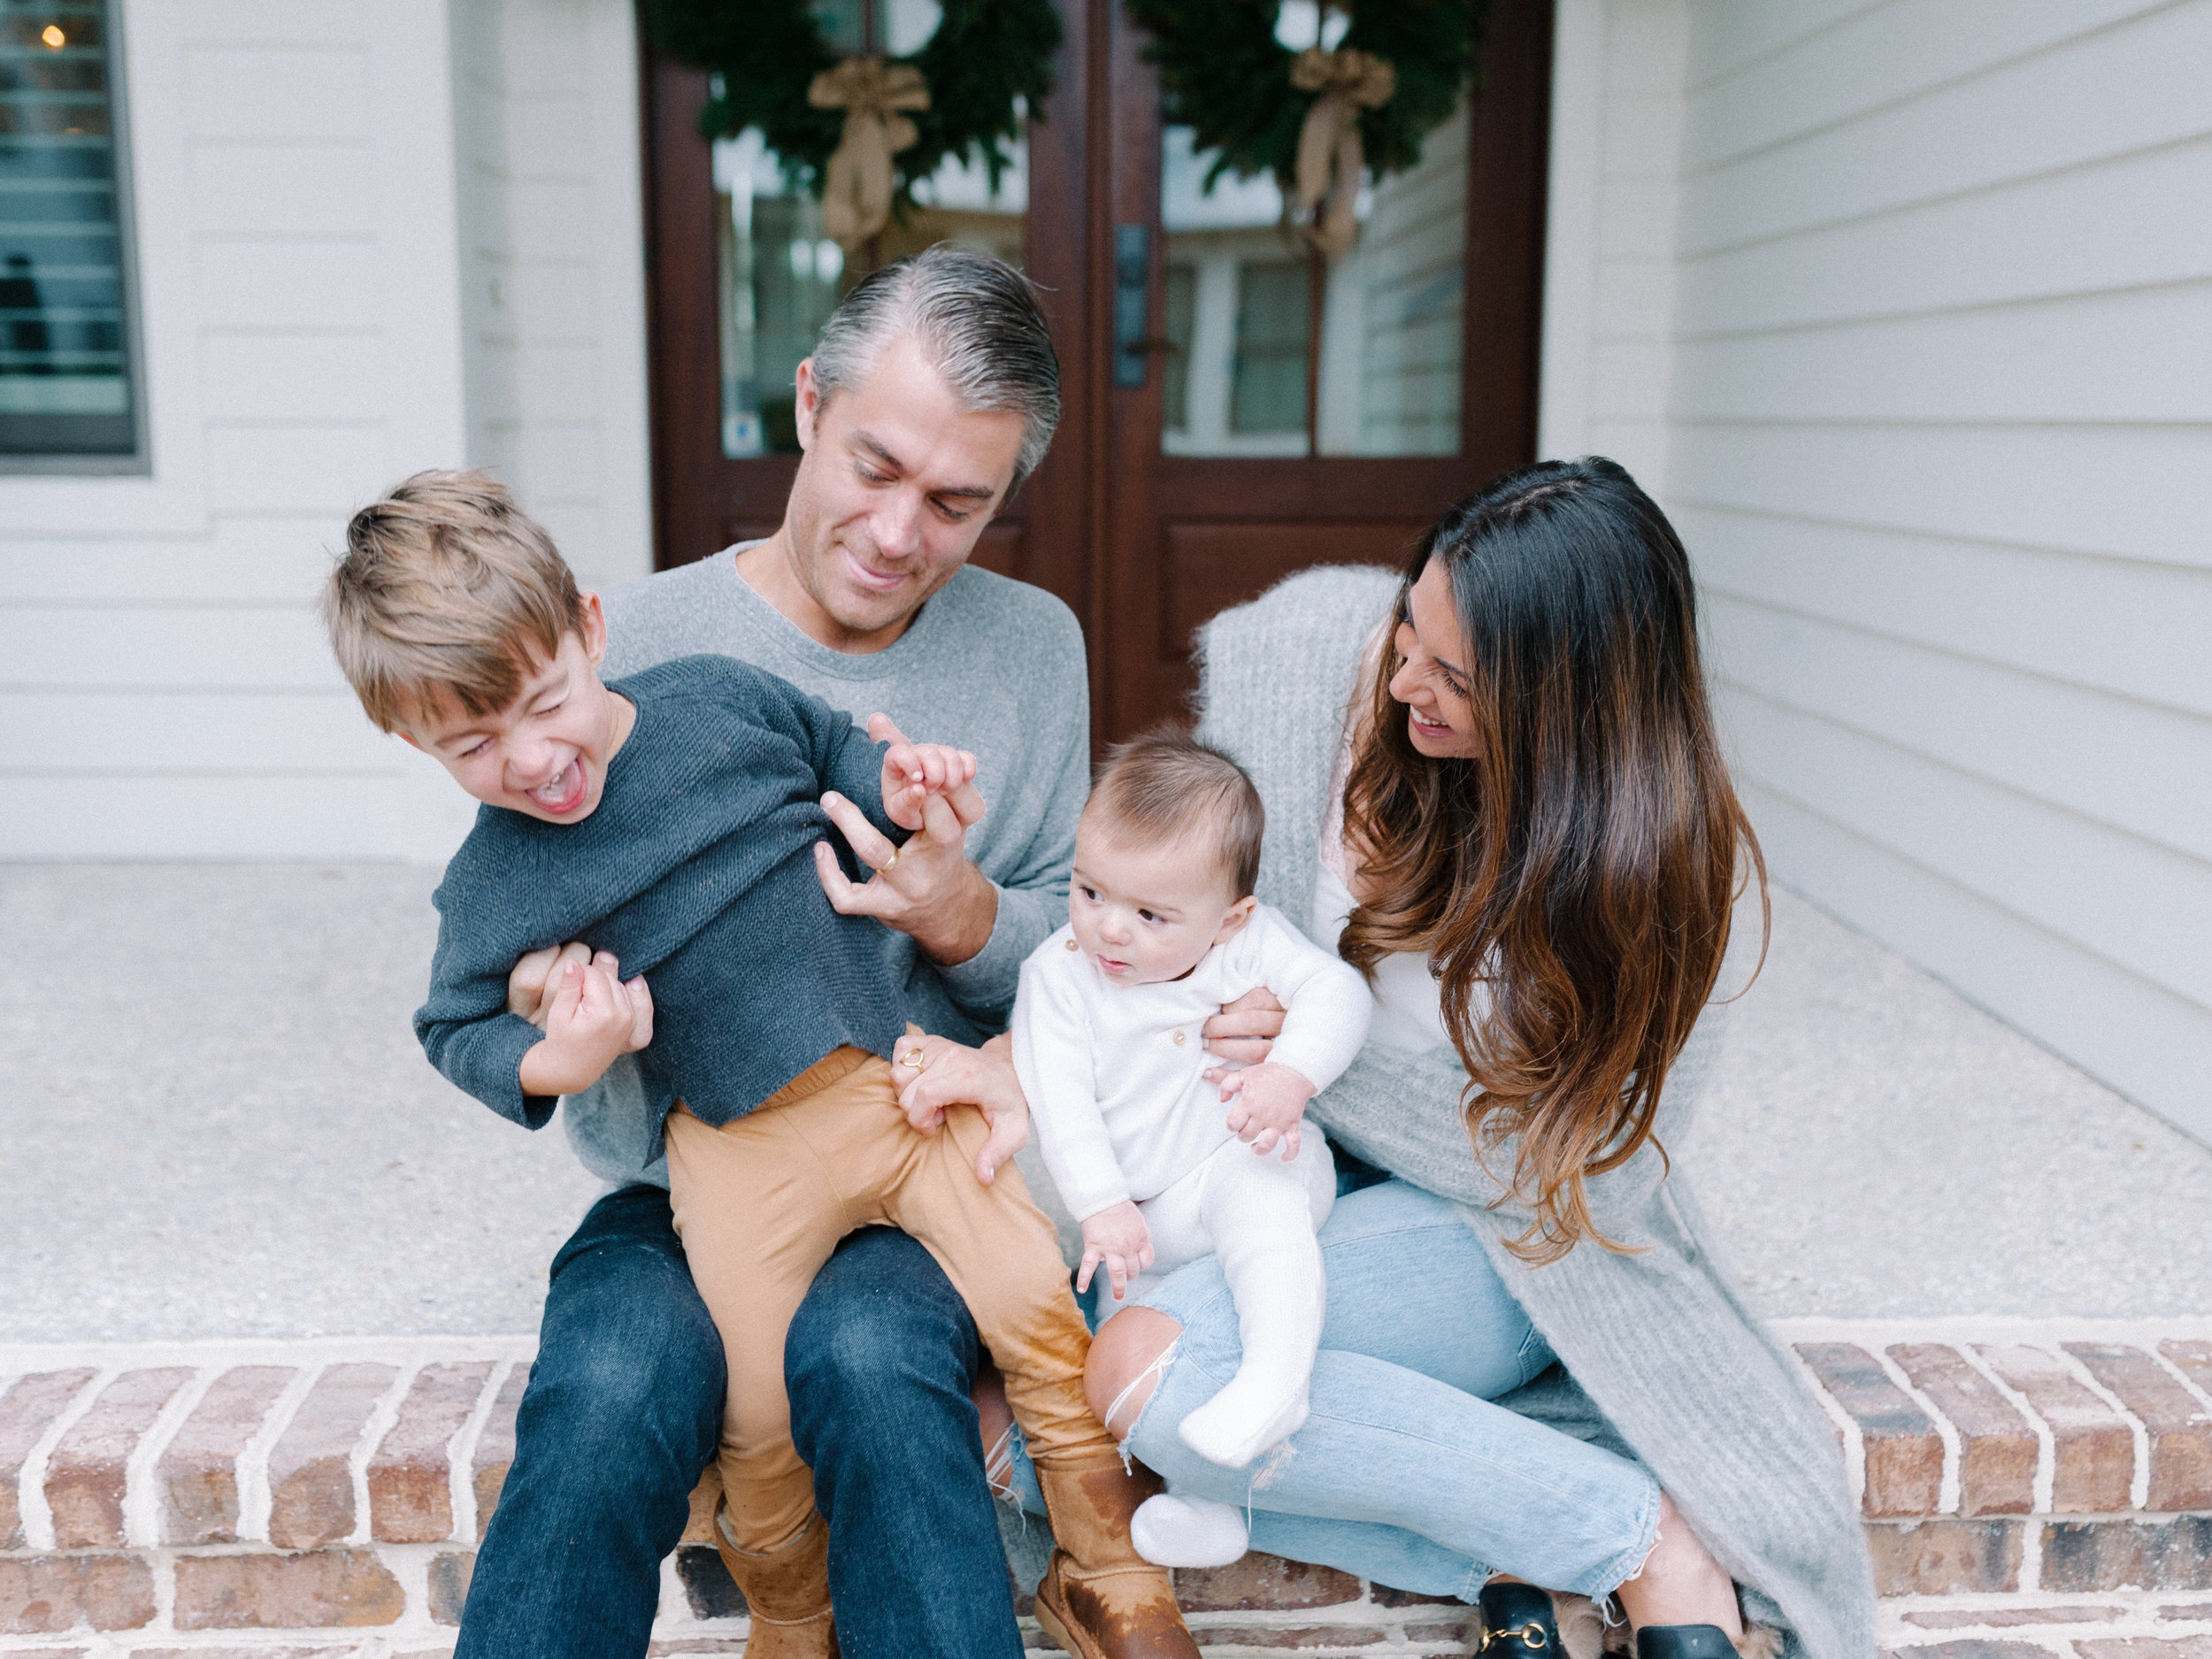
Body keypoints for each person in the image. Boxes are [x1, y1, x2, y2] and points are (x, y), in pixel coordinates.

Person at [903, 459, 1878, 1658]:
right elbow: (1176, 928)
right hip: (1269, 1173)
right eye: (1408, 628)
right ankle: (1566, 1533)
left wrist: (1322, 1065)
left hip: (1509, 1239)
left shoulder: (1670, 869)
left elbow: (1582, 1169)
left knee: (1152, 1366)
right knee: (1092, 1353)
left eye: (1456, 677)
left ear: (1563, 703)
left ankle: (1648, 1542)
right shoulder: (1302, 662)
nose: (1407, 678)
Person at [457, 246, 1206, 1659]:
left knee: (868, 1357)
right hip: (683, 1165)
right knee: (612, 1386)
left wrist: (958, 909)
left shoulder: (1031, 645)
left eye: (956, 501)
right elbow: (509, 913)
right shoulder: (632, 640)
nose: (898, 529)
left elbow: (1092, 948)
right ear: (807, 404)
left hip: (922, 1159)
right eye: (875, 464)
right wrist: (534, 993)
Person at [1010, 731, 1370, 1550]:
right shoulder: (1057, 976)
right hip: (1140, 1215)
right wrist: (1100, 1207)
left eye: (1148, 914)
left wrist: (1291, 1077)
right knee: (1129, 1354)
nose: (1109, 930)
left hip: (1241, 1159)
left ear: (1230, 916)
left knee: (1258, 1202)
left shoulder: (1251, 941)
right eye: (1089, 890)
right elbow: (1060, 1103)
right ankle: (1207, 1504)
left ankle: (1280, 1376)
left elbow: (1337, 992)